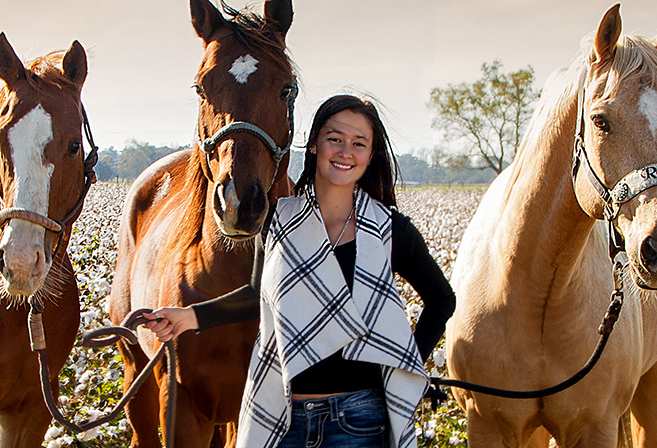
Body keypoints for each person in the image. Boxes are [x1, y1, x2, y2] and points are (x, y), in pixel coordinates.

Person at [142, 94, 455, 448]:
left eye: (359, 143)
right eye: (334, 139)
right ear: (313, 146)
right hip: (283, 412)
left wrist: (403, 363)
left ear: (370, 155)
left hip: (361, 418)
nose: (345, 151)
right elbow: (257, 295)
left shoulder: (390, 229)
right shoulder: (277, 220)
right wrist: (190, 317)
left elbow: (442, 300)